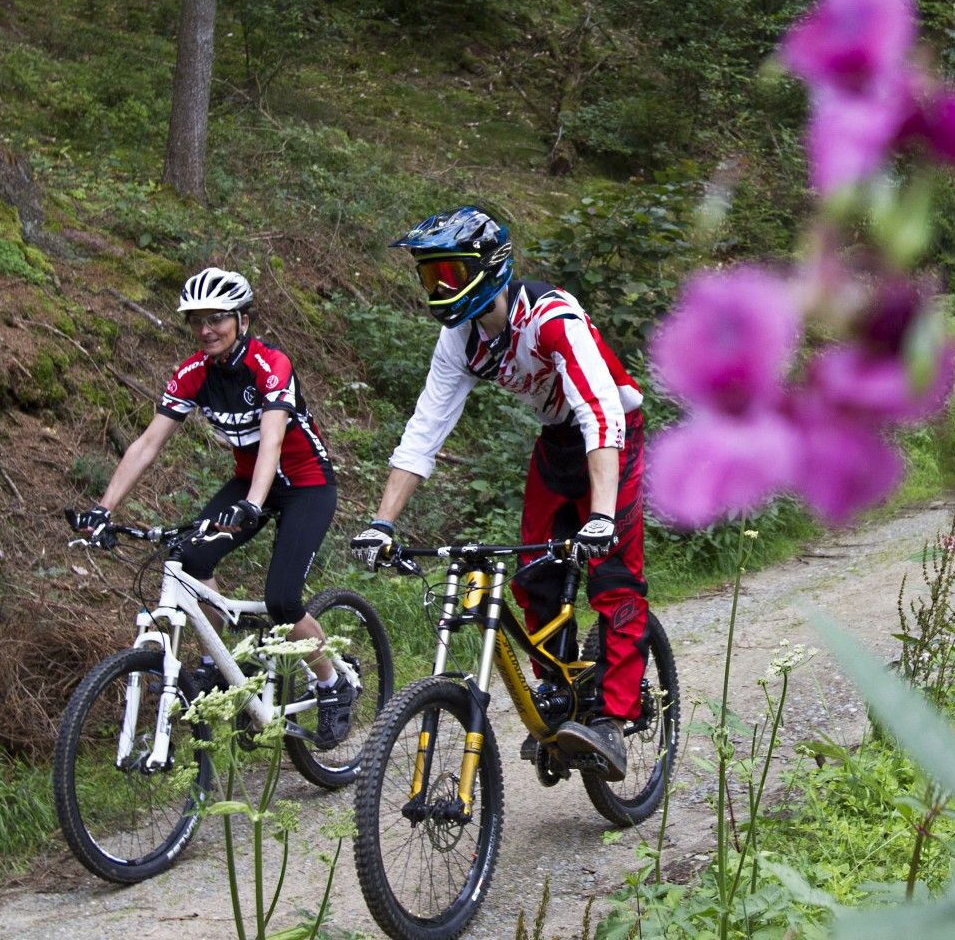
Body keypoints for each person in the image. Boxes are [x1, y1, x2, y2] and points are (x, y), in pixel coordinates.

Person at [349, 205, 646, 780]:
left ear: (488, 268)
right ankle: (558, 697)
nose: (439, 288)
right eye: (429, 276)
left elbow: (600, 411)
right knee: (534, 574)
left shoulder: (553, 319)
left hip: (614, 435)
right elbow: (425, 430)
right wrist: (382, 522)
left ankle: (613, 719)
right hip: (557, 441)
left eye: (449, 274)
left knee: (612, 575)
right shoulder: (460, 340)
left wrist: (603, 515)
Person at [71, 267, 357, 742]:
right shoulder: (193, 374)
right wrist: (104, 509)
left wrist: (253, 505)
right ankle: (218, 665)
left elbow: (271, 441)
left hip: (305, 483)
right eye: (197, 320)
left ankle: (333, 684)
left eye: (217, 318)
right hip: (249, 483)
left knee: (282, 600)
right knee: (189, 557)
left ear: (243, 319)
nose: (206, 330)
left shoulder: (270, 364)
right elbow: (147, 444)